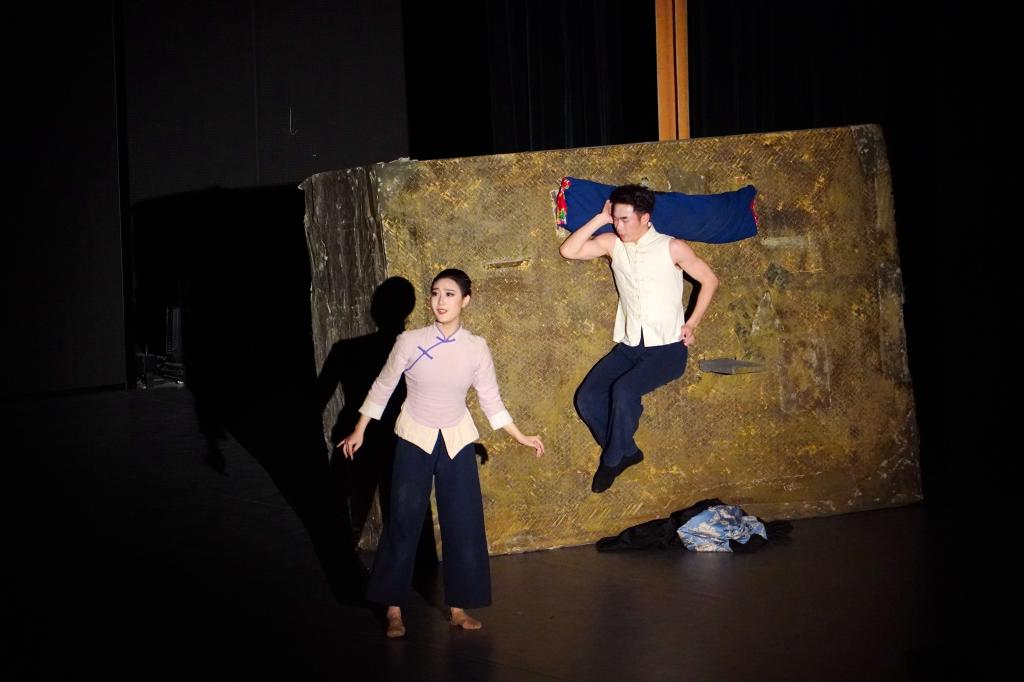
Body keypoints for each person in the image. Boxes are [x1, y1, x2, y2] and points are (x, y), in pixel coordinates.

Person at [338, 268, 544, 638]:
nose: (440, 301)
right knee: (403, 522)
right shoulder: (409, 341)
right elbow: (383, 387)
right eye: (435, 293)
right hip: (414, 438)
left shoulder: (476, 347)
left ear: (466, 300)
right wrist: (359, 429)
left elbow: (491, 400)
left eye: (449, 294)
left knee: (463, 523)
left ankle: (458, 608)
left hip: (456, 440)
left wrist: (520, 436)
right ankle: (393, 608)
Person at [558, 184, 718, 493]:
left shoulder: (672, 247)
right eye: (615, 219)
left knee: (624, 391)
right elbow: (569, 251)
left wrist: (692, 323)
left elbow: (709, 280)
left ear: (645, 218)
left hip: (667, 349)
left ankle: (611, 460)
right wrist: (600, 218)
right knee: (587, 398)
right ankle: (626, 451)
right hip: (630, 346)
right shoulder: (612, 244)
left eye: (625, 219)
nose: (618, 226)